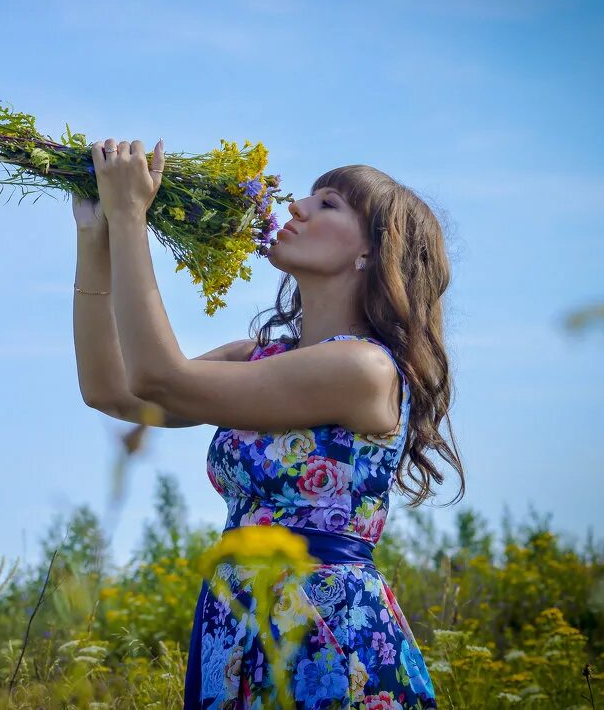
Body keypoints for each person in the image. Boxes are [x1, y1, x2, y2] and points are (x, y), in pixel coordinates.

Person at [73, 139, 462, 708]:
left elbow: (162, 379)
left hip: (326, 632)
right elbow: (112, 391)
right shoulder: (255, 356)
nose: (297, 207)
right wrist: (97, 236)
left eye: (327, 204)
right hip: (236, 624)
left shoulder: (365, 368)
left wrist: (133, 215)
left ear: (372, 254)